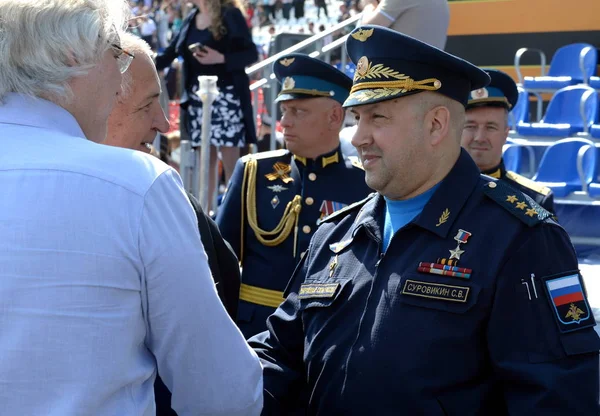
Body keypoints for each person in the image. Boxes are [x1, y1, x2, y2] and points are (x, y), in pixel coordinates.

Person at [248, 26, 600, 414]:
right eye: (357, 118)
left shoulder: (518, 239)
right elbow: (280, 358)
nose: (359, 136)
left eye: (377, 117)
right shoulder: (338, 234)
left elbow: (555, 400)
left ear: (436, 124)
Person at [0, 1, 262, 415]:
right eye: (117, 57)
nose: (120, 75)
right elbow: (222, 393)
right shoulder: (138, 183)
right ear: (74, 57)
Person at [104, 32, 244, 416]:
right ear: (100, 99)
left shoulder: (170, 198)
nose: (164, 123)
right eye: (149, 105)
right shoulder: (150, 195)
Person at [217, 53, 373, 338]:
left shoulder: (365, 182)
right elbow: (219, 263)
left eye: (298, 112)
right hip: (255, 332)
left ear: (335, 116)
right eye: (284, 111)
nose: (284, 122)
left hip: (328, 333)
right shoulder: (254, 172)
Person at [155, 0, 258, 209]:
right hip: (198, 100)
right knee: (205, 161)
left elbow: (251, 54)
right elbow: (170, 53)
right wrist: (139, 60)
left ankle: (234, 215)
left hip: (227, 97)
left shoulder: (230, 14)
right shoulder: (191, 17)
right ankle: (207, 216)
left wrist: (220, 57)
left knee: (231, 161)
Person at [462, 69, 555, 213]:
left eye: (491, 127)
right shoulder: (429, 188)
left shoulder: (534, 199)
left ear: (506, 134)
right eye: (470, 126)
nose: (480, 137)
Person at [359, 0, 449, 49]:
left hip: (399, 75)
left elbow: (364, 31)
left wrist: (369, 4)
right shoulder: (443, 2)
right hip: (431, 74)